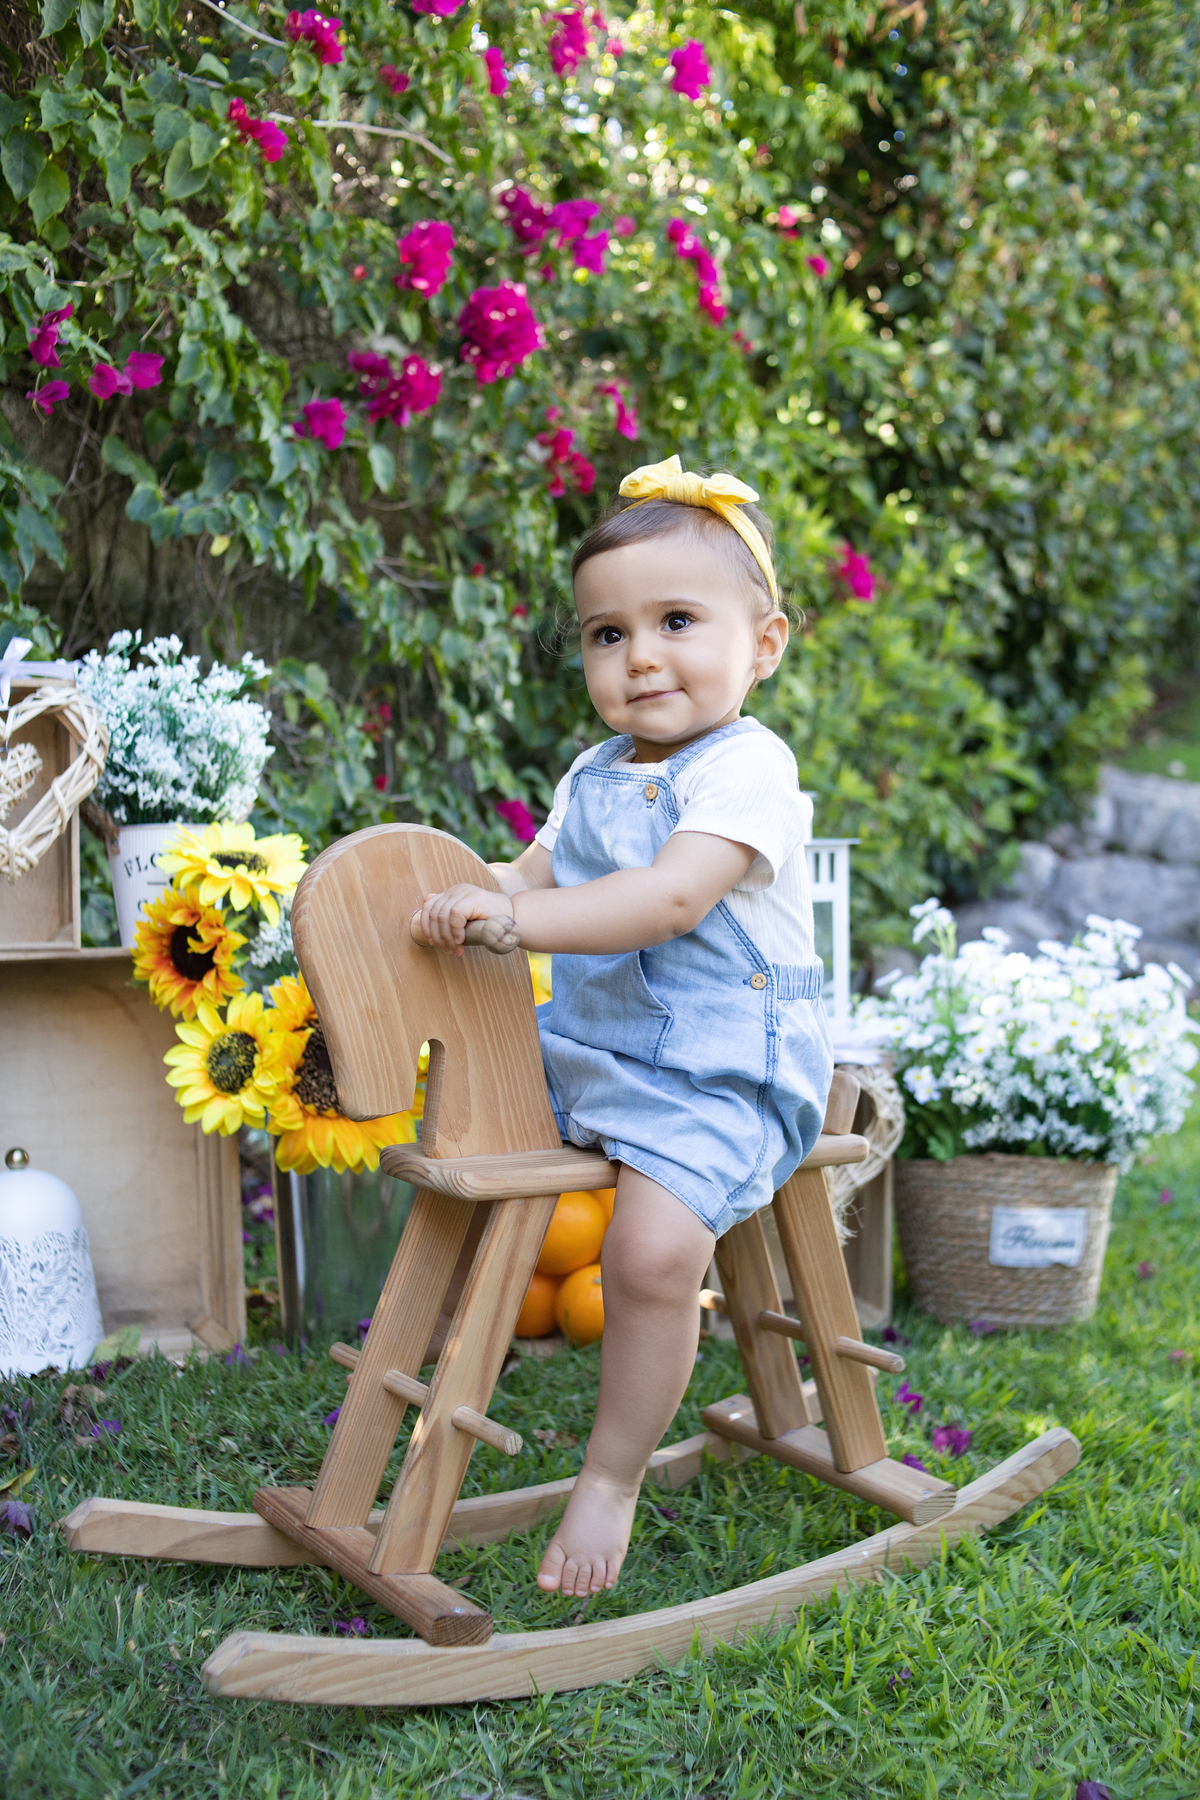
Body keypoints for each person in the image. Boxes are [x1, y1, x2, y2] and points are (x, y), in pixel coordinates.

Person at [415, 455, 832, 1598]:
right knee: (463, 1127)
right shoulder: (595, 772)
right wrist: (467, 891)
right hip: (598, 1054)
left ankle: (610, 1476)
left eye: (676, 622)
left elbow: (670, 899)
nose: (639, 655)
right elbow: (534, 872)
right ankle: (443, 1343)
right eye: (608, 634)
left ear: (764, 644)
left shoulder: (747, 767)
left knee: (646, 1256)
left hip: (722, 1072)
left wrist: (515, 922)